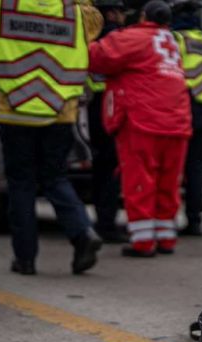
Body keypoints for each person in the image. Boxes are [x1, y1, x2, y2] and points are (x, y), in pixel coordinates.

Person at [0, 0, 104, 275]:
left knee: (21, 186)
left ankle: (25, 259)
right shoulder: (79, 14)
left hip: (15, 111)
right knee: (55, 178)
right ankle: (82, 234)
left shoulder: (1, 7)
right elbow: (96, 19)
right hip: (59, 112)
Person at [88, 0, 192, 257]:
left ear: (143, 16)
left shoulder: (134, 37)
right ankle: (166, 239)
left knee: (140, 182)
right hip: (177, 121)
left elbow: (97, 57)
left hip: (142, 121)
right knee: (168, 184)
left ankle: (143, 243)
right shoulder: (172, 41)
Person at [170, 0, 202, 237]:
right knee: (196, 169)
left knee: (174, 167)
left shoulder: (177, 41)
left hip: (184, 107)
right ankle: (195, 220)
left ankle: (166, 220)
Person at [87, 0, 129, 243]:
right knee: (114, 167)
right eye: (122, 12)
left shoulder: (90, 38)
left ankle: (102, 219)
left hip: (95, 107)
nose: (124, 16)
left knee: (101, 167)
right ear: (112, 13)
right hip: (113, 106)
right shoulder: (117, 37)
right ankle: (107, 224)